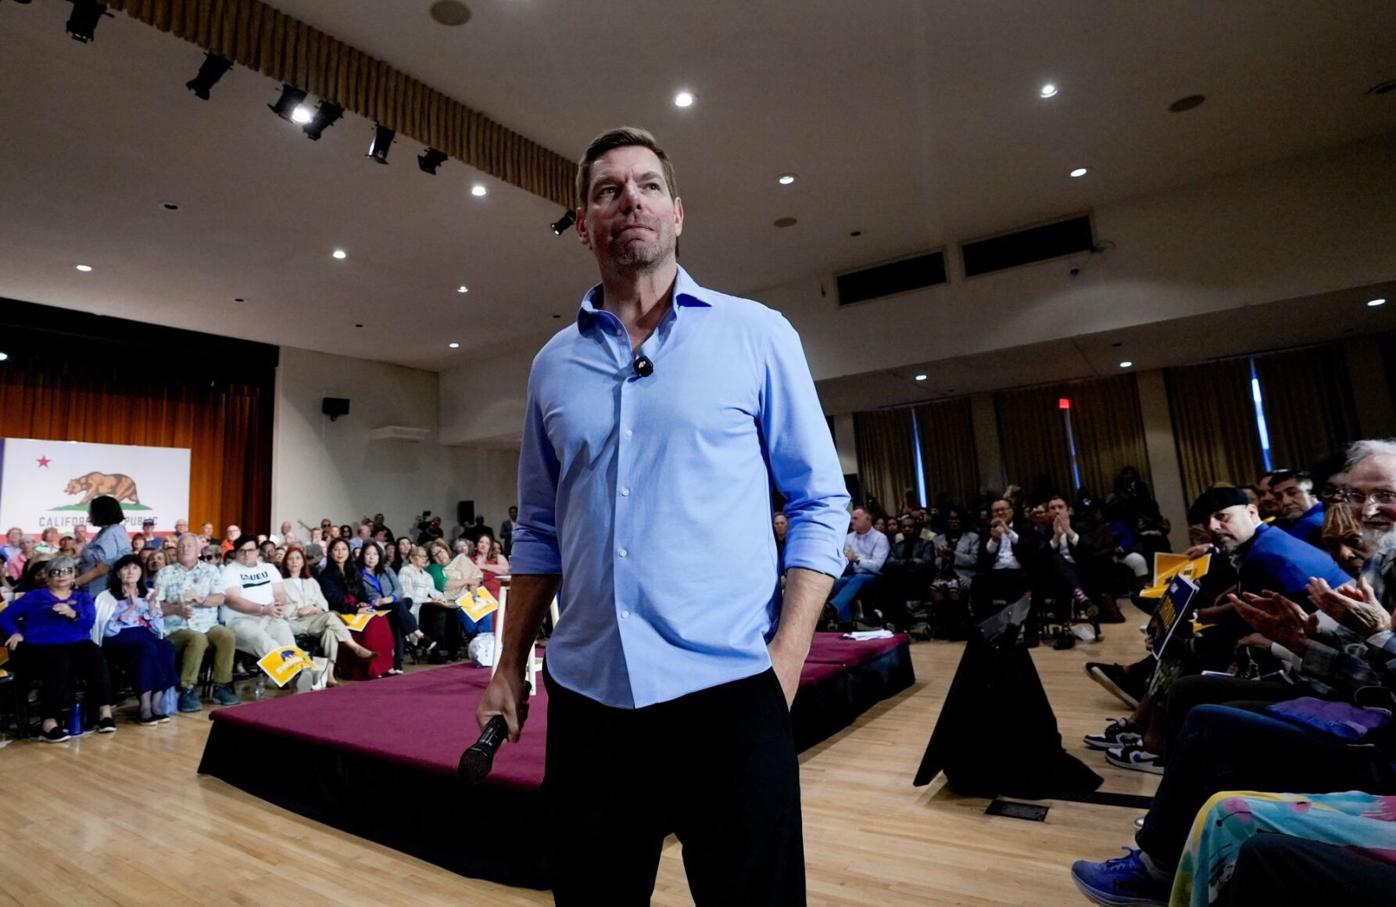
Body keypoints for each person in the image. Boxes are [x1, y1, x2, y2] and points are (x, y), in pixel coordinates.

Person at [477, 126, 848, 905]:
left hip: (731, 691)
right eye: (607, 191)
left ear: (678, 212)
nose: (630, 201)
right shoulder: (552, 366)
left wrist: (785, 659)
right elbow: (538, 531)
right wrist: (510, 664)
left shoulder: (756, 335)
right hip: (589, 702)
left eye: (648, 185)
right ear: (584, 226)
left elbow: (820, 501)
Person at [0, 556, 117, 742]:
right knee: (59, 660)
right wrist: (15, 633)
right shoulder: (35, 597)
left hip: (76, 643)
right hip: (40, 645)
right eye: (55, 572)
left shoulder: (82, 597)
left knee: (96, 654)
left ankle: (104, 713)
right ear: (47, 576)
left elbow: (88, 623)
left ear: (73, 575)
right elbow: (5, 617)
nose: (62, 575)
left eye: (67, 571)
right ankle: (48, 723)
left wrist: (73, 614)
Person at [154, 533, 238, 711]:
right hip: (175, 628)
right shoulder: (165, 573)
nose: (185, 549)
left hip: (207, 624)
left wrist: (201, 599)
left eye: (189, 546)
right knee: (197, 638)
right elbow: (155, 605)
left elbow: (220, 598)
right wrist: (176, 609)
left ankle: (222, 686)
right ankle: (188, 689)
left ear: (199, 550)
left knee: (226, 636)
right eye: (181, 546)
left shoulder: (211, 571)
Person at [97, 554, 178, 726]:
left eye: (135, 567)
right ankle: (145, 707)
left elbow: (158, 628)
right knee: (146, 649)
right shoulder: (107, 596)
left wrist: (152, 607)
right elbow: (107, 630)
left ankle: (156, 703)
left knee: (166, 647)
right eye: (126, 567)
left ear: (141, 572)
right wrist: (131, 607)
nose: (130, 571)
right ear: (118, 573)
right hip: (119, 638)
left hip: (145, 635)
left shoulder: (149, 594)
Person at [280, 545, 373, 684]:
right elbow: (279, 608)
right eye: (290, 559)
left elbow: (323, 603)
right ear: (285, 563)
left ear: (303, 562)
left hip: (315, 621)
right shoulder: (281, 583)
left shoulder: (311, 581)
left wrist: (315, 608)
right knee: (331, 616)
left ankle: (329, 673)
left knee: (330, 632)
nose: (294, 562)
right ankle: (355, 646)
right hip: (295, 623)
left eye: (298, 558)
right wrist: (298, 611)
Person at [319, 537, 394, 679]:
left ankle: (384, 665)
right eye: (336, 549)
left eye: (343, 549)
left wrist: (363, 602)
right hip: (341, 612)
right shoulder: (326, 575)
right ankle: (370, 669)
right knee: (370, 625)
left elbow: (361, 592)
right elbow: (333, 600)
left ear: (349, 552)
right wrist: (355, 610)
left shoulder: (353, 570)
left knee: (380, 619)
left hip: (356, 608)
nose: (340, 553)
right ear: (330, 553)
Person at [357, 541, 427, 674]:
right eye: (368, 554)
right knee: (398, 616)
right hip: (377, 606)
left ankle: (397, 663)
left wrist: (390, 598)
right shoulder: (358, 575)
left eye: (375, 554)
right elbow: (360, 596)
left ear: (379, 556)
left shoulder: (387, 570)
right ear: (363, 556)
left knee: (401, 605)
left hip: (393, 602)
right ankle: (418, 636)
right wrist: (373, 602)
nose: (372, 557)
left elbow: (399, 589)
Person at [220, 534, 295, 658]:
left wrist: (277, 606)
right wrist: (262, 609)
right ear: (236, 552)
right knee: (265, 643)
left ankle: (297, 667)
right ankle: (289, 665)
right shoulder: (230, 570)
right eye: (242, 551)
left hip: (269, 617)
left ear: (257, 551)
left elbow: (280, 593)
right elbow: (233, 600)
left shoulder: (269, 568)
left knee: (285, 635)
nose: (246, 554)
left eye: (250, 550)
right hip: (240, 620)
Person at [827, 507, 889, 629]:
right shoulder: (848, 538)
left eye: (855, 518)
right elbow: (845, 559)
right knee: (839, 581)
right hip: (853, 574)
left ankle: (833, 607)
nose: (852, 521)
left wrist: (857, 559)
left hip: (874, 576)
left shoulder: (880, 538)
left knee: (859, 577)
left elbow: (877, 565)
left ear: (867, 519)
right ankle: (845, 622)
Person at [400, 544, 455, 661]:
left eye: (425, 557)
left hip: (426, 606)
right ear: (412, 558)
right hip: (414, 607)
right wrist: (431, 601)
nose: (424, 559)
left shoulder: (427, 575)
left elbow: (433, 592)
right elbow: (407, 595)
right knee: (439, 612)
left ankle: (451, 650)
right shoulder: (406, 571)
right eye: (421, 556)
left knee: (451, 610)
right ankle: (436, 651)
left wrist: (443, 600)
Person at [73, 495, 132, 597]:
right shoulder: (107, 531)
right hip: (92, 588)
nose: (89, 514)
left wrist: (73, 583)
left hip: (98, 591)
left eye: (91, 511)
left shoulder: (112, 532)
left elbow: (103, 568)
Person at [1268, 468, 1324, 546]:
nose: (1285, 502)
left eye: (1292, 493)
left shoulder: (1310, 524)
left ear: (1312, 492)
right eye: (1278, 497)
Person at [473, 534, 510, 601]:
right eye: (481, 542)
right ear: (476, 545)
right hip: (477, 592)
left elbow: (506, 570)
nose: (483, 545)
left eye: (487, 543)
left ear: (490, 547)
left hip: (496, 592)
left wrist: (484, 566)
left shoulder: (497, 557)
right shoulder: (471, 559)